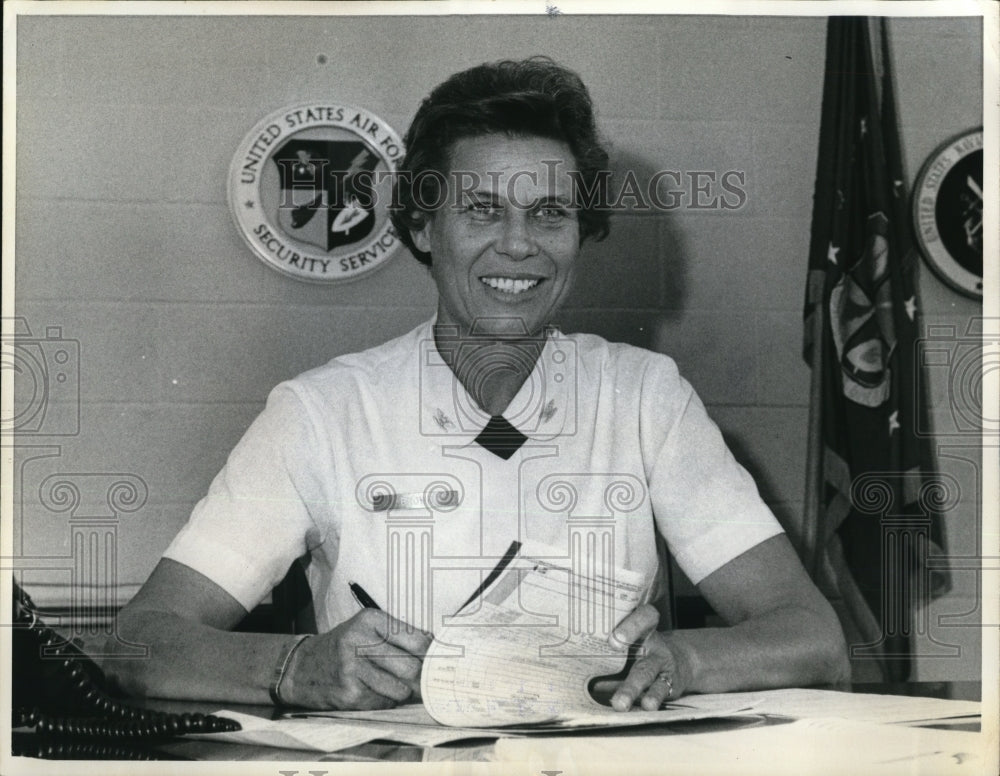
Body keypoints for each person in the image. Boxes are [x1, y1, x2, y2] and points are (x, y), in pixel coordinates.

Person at [106, 57, 849, 713]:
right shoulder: (321, 412)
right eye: (482, 210)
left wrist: (684, 662)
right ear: (422, 227)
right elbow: (138, 643)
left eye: (549, 213)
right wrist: (295, 667)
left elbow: (814, 637)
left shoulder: (645, 398)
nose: (519, 244)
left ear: (579, 232)